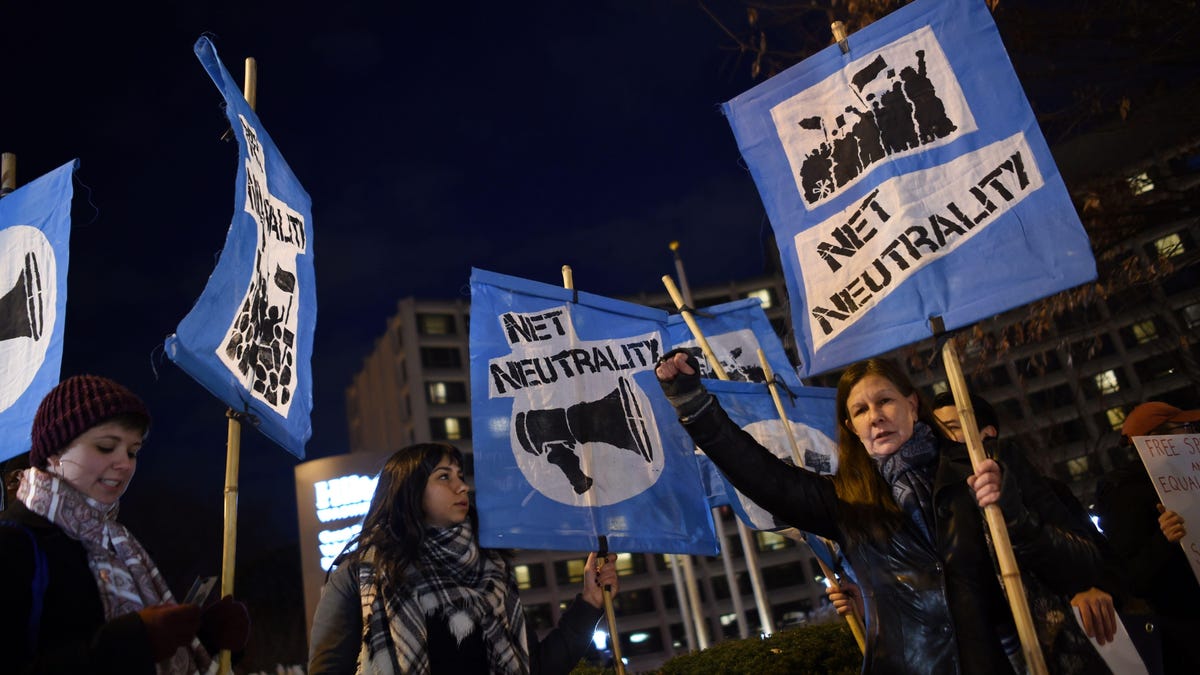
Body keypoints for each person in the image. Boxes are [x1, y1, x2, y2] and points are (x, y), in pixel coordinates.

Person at [657, 352, 1107, 674]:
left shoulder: (985, 465)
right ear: (850, 427)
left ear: (912, 405)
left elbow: (1087, 563)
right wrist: (696, 408)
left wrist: (1013, 515)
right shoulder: (846, 502)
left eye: (885, 401)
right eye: (860, 410)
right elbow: (762, 476)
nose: (875, 416)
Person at [0, 374, 250, 674]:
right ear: (54, 454)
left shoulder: (118, 545)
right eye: (106, 446)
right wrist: (133, 643)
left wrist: (205, 640)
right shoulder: (15, 542)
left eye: (133, 451)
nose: (125, 464)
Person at [308, 442, 618, 674]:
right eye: (444, 477)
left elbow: (534, 668)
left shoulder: (491, 570)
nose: (461, 486)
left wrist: (589, 604)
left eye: (460, 475)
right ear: (410, 491)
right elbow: (328, 668)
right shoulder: (359, 574)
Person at [1093, 402, 1200, 674]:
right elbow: (1132, 577)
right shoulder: (1125, 494)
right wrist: (1164, 540)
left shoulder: (1190, 477)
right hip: (1183, 629)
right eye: (1184, 428)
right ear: (1157, 440)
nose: (1192, 434)